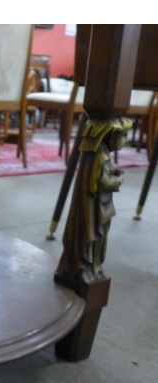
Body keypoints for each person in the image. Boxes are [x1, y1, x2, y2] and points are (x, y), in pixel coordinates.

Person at [56, 116, 132, 284]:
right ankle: (86, 266)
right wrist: (118, 180)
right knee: (93, 237)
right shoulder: (101, 157)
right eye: (123, 136)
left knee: (99, 238)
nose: (126, 140)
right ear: (111, 136)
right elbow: (100, 184)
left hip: (101, 207)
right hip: (96, 207)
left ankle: (94, 266)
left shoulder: (100, 153)